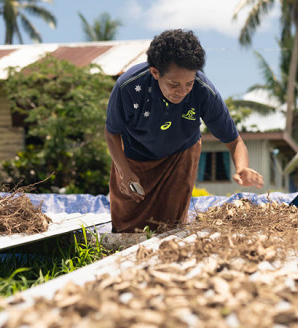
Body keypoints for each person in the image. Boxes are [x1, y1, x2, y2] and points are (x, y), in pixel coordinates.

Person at [105, 29, 264, 233]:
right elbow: (112, 133)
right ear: (155, 72)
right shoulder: (128, 87)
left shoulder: (204, 91)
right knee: (126, 225)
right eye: (174, 84)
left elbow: (235, 141)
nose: (182, 92)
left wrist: (242, 168)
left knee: (170, 225)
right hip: (134, 158)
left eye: (188, 83)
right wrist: (125, 172)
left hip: (180, 156)